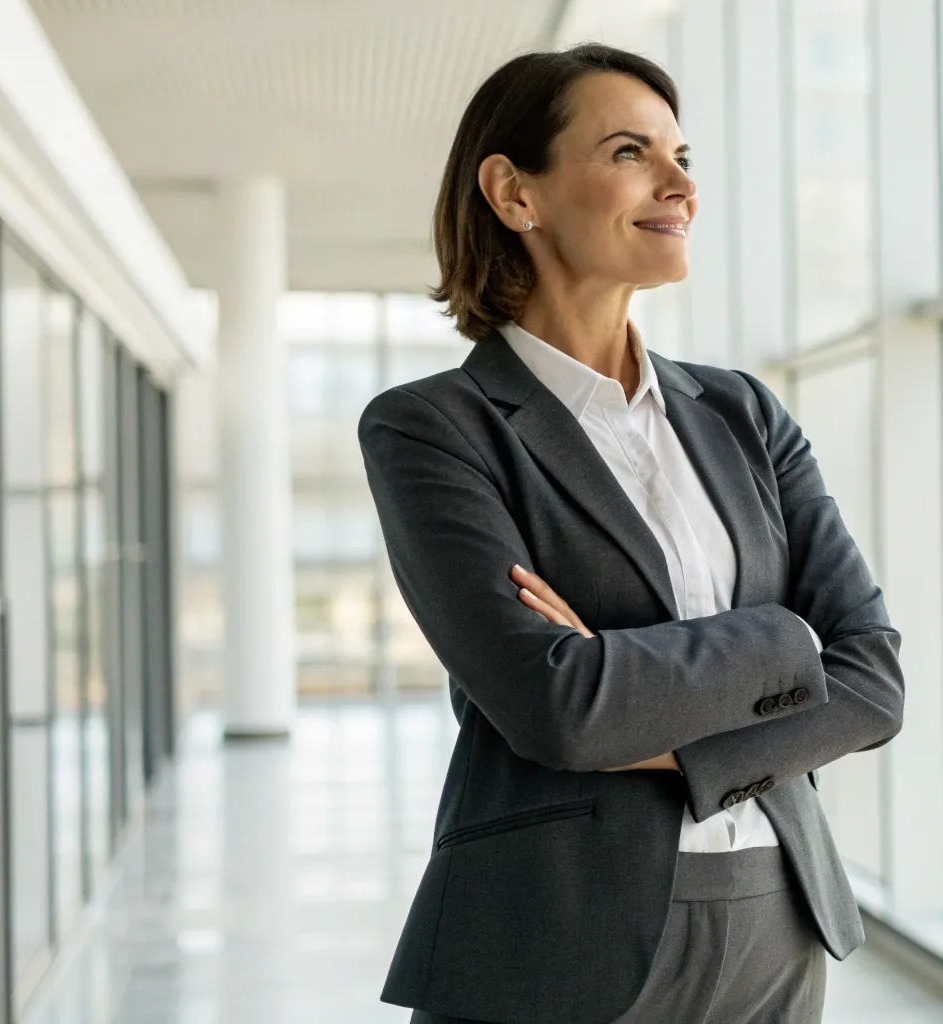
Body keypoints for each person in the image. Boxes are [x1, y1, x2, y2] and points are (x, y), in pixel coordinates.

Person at [358, 44, 903, 1023]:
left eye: (682, 153)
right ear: (514, 193)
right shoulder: (432, 428)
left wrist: (637, 687)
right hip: (553, 929)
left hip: (775, 914)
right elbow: (557, 707)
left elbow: (870, 680)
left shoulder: (743, 414)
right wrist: (782, 642)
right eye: (629, 152)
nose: (680, 184)